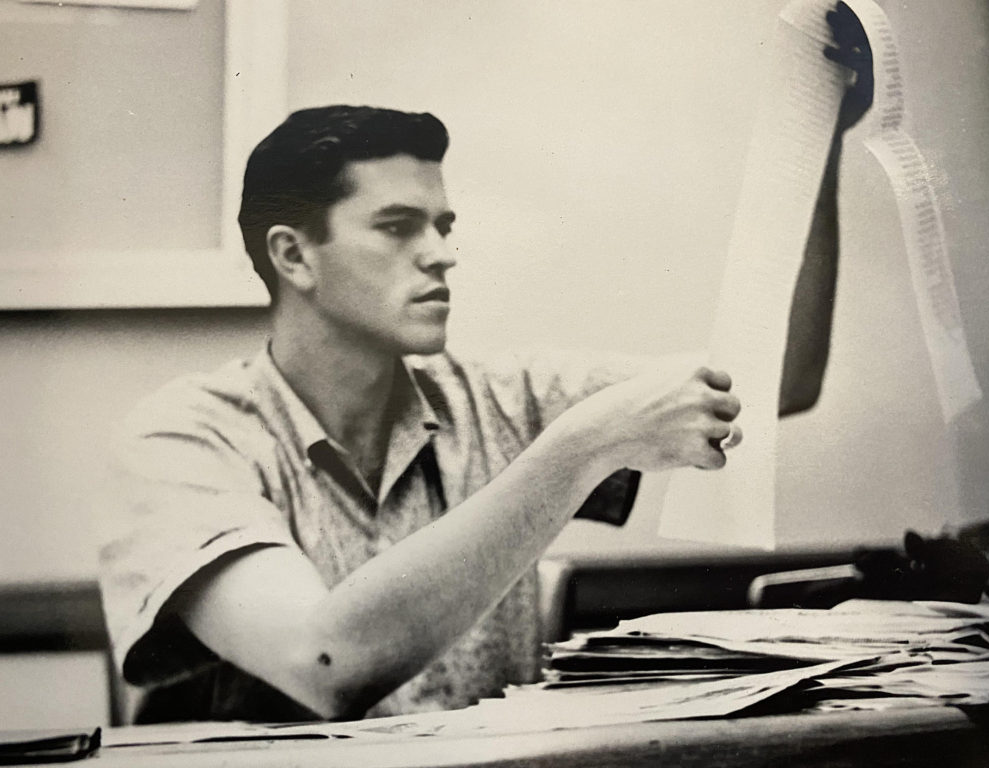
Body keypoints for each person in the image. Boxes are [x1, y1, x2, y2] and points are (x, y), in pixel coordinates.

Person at [95, 6, 873, 724]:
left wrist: (819, 137)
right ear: (293, 255)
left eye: (442, 225)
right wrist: (580, 447)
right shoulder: (182, 441)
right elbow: (325, 663)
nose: (443, 253)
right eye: (399, 227)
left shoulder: (499, 398)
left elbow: (779, 380)